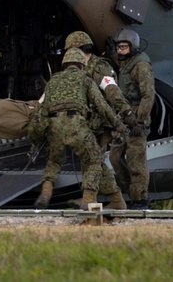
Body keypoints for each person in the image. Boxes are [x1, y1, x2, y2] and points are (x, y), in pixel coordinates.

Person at [35, 48, 126, 210]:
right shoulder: (85, 79)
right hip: (76, 124)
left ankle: (46, 192)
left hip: (54, 126)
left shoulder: (52, 81)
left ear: (64, 65)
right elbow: (102, 105)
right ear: (82, 65)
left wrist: (36, 136)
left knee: (54, 161)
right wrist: (119, 125)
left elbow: (40, 109)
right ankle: (88, 198)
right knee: (94, 160)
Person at [65, 30, 135, 210]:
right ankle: (116, 199)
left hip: (102, 123)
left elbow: (112, 89)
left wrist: (125, 110)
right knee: (94, 160)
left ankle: (89, 199)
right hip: (89, 123)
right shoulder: (81, 68)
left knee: (92, 160)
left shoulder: (99, 67)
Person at [108, 27, 156, 209]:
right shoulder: (127, 62)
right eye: (119, 47)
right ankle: (132, 193)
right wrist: (113, 52)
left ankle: (141, 199)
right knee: (115, 158)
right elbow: (122, 67)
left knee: (136, 162)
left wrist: (140, 120)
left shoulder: (141, 66)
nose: (120, 50)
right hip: (123, 118)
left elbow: (148, 95)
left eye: (124, 47)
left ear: (133, 47)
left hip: (136, 118)